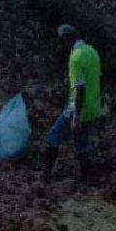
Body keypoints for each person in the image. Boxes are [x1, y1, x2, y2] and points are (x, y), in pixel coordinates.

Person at [44, 25, 104, 185]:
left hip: (79, 109)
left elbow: (80, 87)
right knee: (81, 144)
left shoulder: (75, 57)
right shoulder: (92, 51)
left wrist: (76, 116)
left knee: (53, 137)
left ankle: (46, 177)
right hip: (94, 107)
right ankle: (87, 179)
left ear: (66, 41)